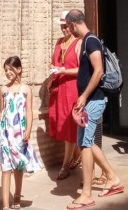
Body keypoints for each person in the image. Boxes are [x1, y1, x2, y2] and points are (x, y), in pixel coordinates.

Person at [64, 8, 124, 209]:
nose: (68, 31)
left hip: (93, 101)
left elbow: (98, 71)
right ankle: (112, 178)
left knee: (86, 145)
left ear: (73, 24)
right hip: (89, 101)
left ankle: (87, 194)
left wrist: (83, 96)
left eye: (68, 27)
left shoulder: (91, 41)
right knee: (86, 142)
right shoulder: (86, 42)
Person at [0, 56, 43, 210]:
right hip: (6, 134)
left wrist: (28, 130)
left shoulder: (26, 89)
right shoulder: (3, 90)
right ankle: (5, 206)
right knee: (5, 168)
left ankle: (17, 194)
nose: (8, 72)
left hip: (19, 134)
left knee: (18, 167)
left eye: (10, 69)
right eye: (5, 70)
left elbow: (29, 111)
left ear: (19, 69)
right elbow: (1, 112)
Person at [47, 11, 82, 178]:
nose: (63, 29)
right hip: (59, 87)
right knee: (61, 123)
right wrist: (51, 77)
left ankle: (65, 165)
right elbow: (55, 62)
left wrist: (64, 70)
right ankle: (76, 156)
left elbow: (82, 69)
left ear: (72, 25)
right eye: (61, 26)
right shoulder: (59, 42)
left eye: (65, 26)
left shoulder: (78, 42)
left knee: (69, 126)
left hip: (71, 88)